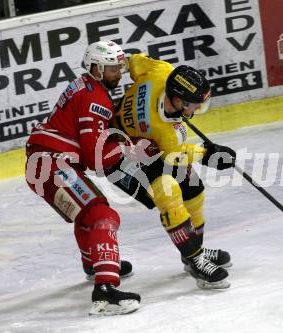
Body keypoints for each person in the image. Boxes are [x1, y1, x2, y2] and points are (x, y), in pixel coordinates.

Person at [25, 40, 142, 315]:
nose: (119, 73)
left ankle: (95, 263)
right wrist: (131, 149)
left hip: (46, 161)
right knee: (104, 216)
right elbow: (95, 159)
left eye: (120, 67)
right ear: (96, 68)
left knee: (87, 214)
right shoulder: (95, 99)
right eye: (113, 68)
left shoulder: (86, 85)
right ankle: (105, 291)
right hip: (52, 163)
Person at [106, 54, 237, 289]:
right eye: (195, 104)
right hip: (118, 157)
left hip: (149, 148)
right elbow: (174, 155)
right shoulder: (167, 129)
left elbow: (131, 60)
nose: (197, 109)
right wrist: (208, 154)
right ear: (177, 100)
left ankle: (192, 249)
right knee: (169, 192)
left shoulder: (161, 70)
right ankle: (196, 260)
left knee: (194, 189)